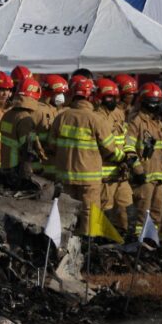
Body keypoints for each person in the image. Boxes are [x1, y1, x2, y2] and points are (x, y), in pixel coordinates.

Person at [47, 77, 124, 234]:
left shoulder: (61, 116)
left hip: (66, 176)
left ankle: (64, 245)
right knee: (90, 213)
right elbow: (109, 148)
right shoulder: (96, 119)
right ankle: (88, 246)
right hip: (90, 178)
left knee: (66, 212)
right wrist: (123, 158)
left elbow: (51, 145)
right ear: (91, 97)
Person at [126, 82, 162, 234]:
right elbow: (128, 148)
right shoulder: (136, 122)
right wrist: (138, 170)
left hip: (159, 178)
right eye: (152, 103)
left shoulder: (157, 123)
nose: (156, 106)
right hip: (144, 179)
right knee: (142, 215)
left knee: (157, 214)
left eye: (157, 103)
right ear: (143, 102)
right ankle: (139, 245)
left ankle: (151, 245)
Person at [94, 78, 135, 236]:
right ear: (99, 97)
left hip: (121, 174)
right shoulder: (96, 117)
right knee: (107, 210)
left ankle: (129, 239)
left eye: (114, 97)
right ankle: (107, 243)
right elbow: (103, 146)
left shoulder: (119, 113)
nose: (113, 100)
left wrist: (130, 155)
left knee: (128, 209)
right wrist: (122, 158)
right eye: (109, 97)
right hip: (106, 175)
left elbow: (126, 138)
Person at [0, 77, 49, 173]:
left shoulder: (7, 114)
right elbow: (29, 150)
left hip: (6, 167)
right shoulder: (25, 120)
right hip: (19, 171)